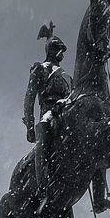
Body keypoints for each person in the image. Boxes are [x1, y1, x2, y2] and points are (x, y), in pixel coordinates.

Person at [22, 22, 72, 194]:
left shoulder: (67, 77)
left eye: (63, 50)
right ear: (50, 49)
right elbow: (29, 99)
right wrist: (30, 126)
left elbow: (72, 98)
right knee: (43, 141)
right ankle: (43, 188)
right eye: (58, 48)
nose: (61, 53)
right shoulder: (39, 70)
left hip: (66, 115)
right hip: (47, 115)